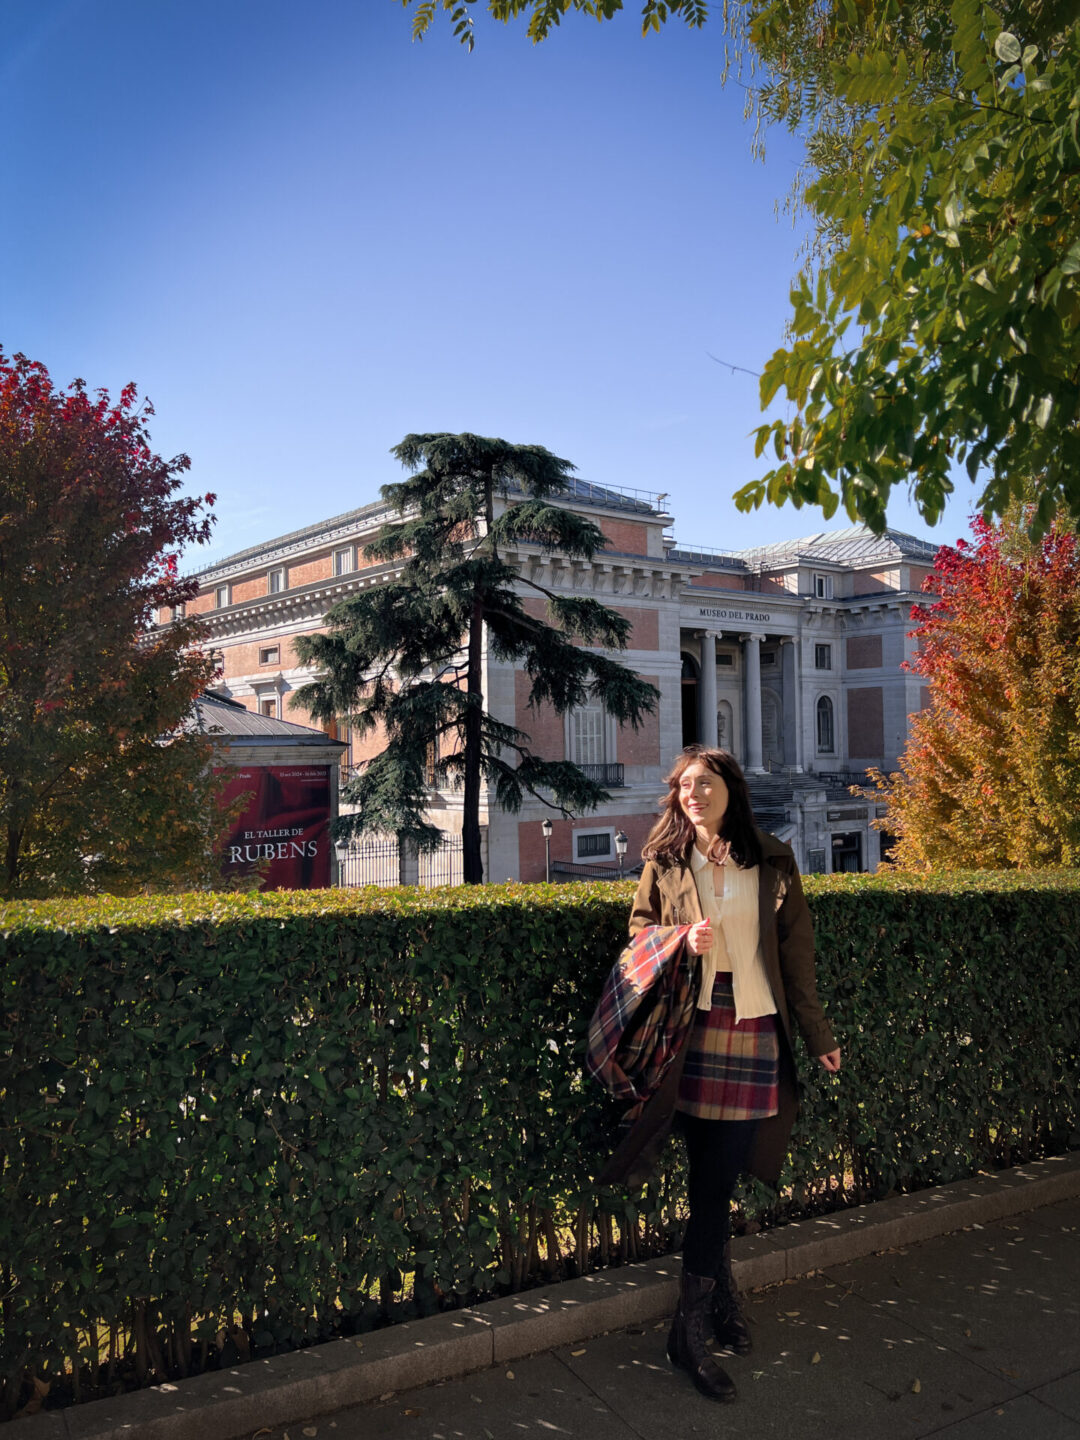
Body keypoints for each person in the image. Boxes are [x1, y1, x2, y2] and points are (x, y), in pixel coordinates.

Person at [625, 745, 840, 1403]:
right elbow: (636, 939)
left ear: (729, 790)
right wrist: (674, 939)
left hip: (754, 1033)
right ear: (677, 796)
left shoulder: (771, 859)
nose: (694, 793)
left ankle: (708, 1310)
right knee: (710, 1181)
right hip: (692, 1034)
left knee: (719, 1179)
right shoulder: (663, 864)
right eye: (685, 785)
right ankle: (694, 1325)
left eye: (706, 782)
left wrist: (818, 1034)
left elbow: (795, 953)